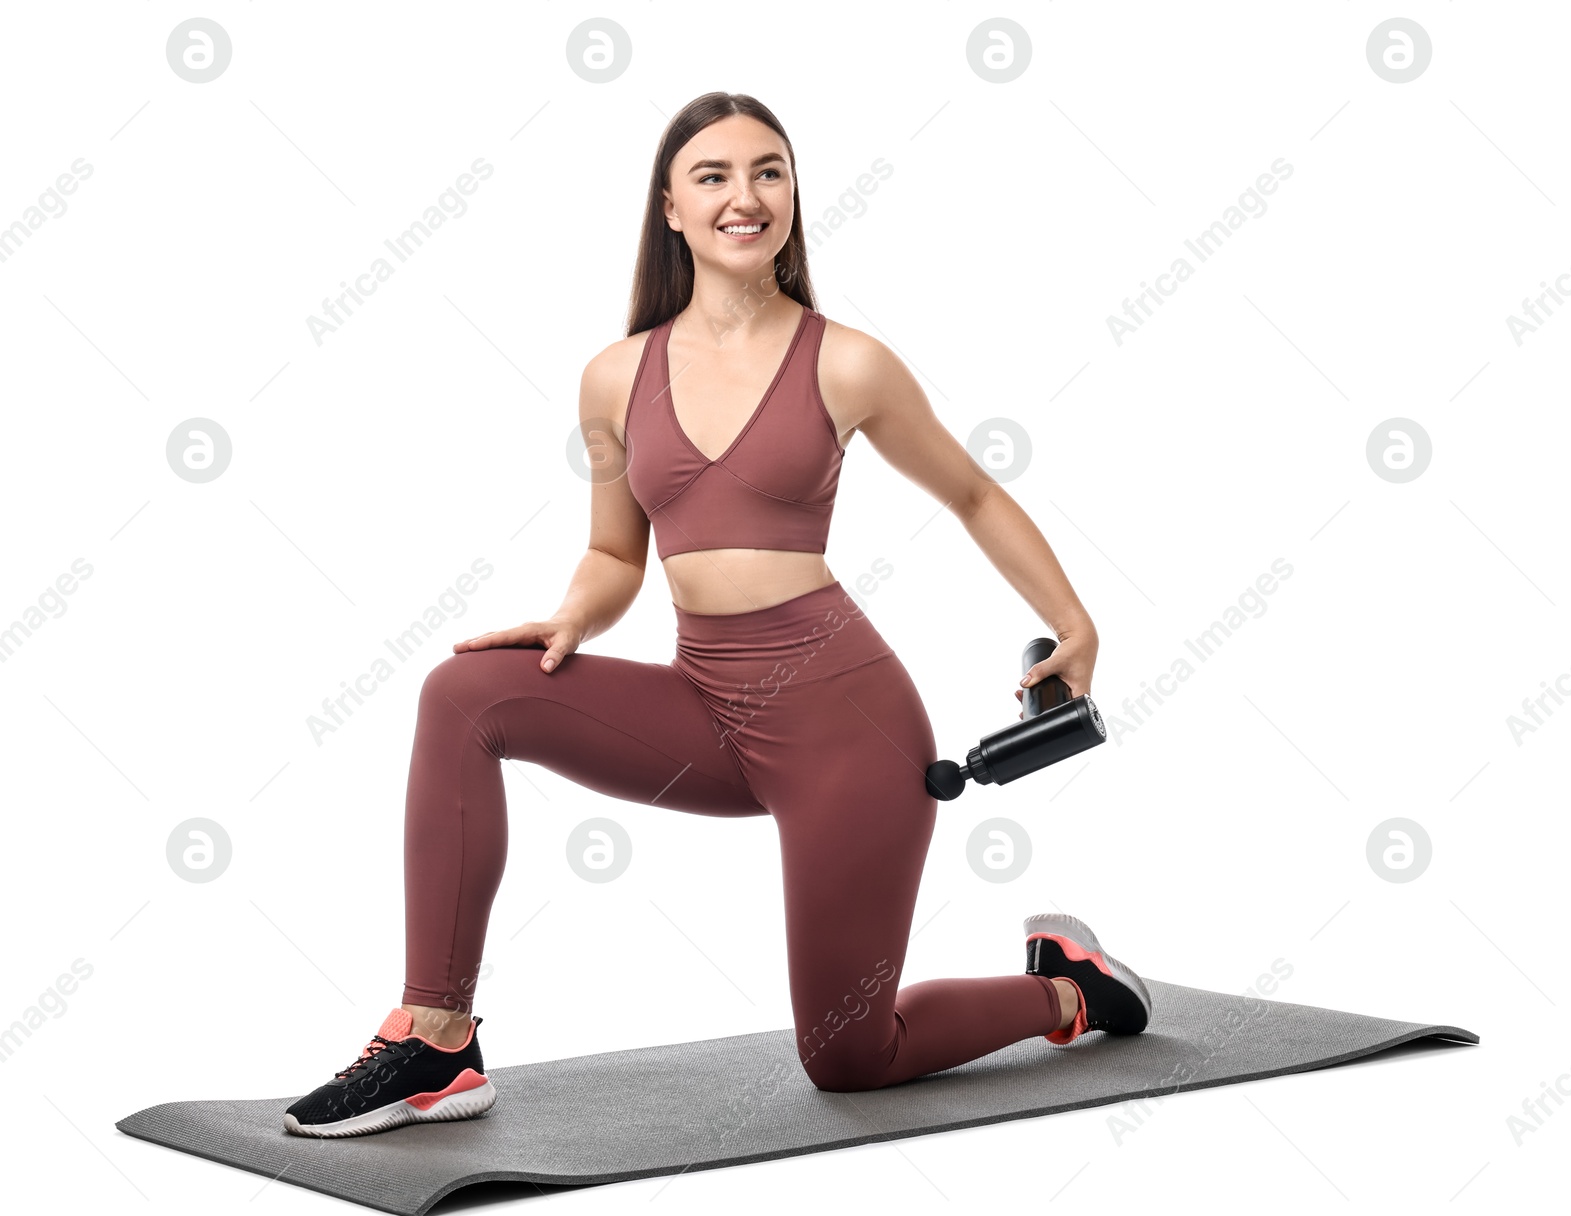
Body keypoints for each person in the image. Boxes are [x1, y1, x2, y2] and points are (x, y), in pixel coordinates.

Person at [283, 91, 1152, 1139]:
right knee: (466, 694)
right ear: (671, 208)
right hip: (706, 710)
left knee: (849, 1057)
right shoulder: (613, 376)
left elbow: (969, 491)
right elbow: (615, 551)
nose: (745, 196)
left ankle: (1070, 988)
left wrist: (1073, 620)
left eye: (769, 172)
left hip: (846, 735)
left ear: (791, 194)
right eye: (714, 176)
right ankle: (436, 1039)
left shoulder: (847, 360)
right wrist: (570, 618)